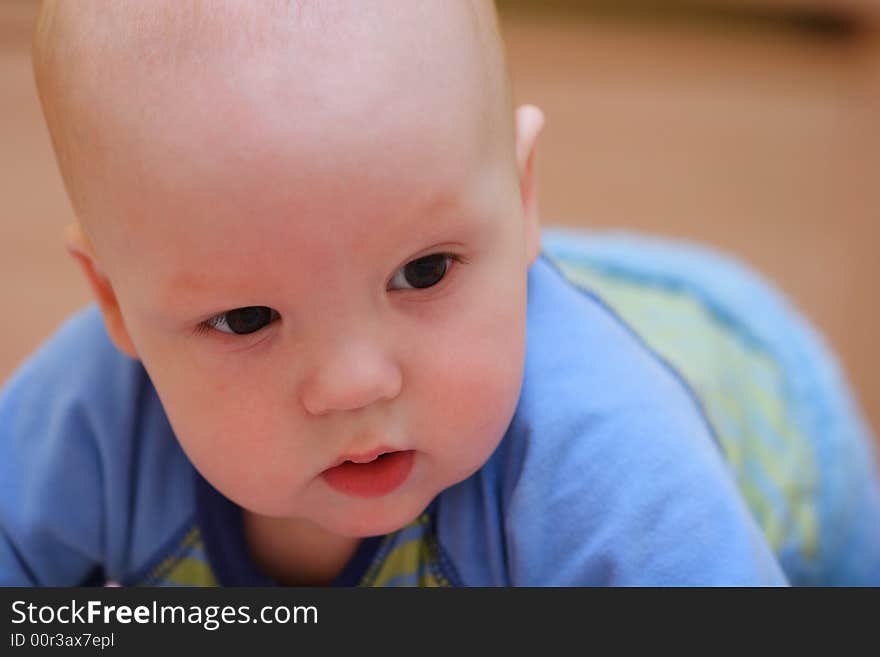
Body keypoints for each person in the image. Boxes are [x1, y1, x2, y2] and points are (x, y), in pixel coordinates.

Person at [1, 0, 877, 586]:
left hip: (762, 400)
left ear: (524, 196)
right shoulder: (87, 419)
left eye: (424, 270)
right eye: (246, 318)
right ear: (115, 304)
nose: (355, 383)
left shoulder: (609, 456)